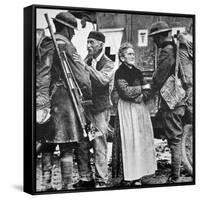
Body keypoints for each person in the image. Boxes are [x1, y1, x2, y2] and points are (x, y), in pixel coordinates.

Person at [36, 11, 92, 191]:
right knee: (67, 145)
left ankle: (45, 185)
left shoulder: (46, 43)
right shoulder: (66, 46)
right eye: (73, 30)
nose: (74, 33)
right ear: (67, 29)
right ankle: (67, 185)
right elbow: (82, 77)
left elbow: (41, 75)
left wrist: (42, 102)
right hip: (66, 102)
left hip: (46, 101)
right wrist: (88, 93)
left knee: (47, 144)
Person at [73, 31, 115, 188]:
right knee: (83, 143)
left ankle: (101, 180)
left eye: (91, 42)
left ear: (101, 45)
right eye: (87, 42)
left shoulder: (109, 63)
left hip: (100, 112)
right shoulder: (87, 59)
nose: (88, 45)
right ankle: (86, 178)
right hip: (87, 111)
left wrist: (84, 66)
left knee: (99, 144)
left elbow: (103, 80)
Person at [111, 42, 157, 186]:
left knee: (140, 141)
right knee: (128, 141)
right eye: (129, 54)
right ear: (122, 57)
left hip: (139, 110)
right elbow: (125, 92)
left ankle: (138, 175)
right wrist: (141, 89)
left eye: (133, 54)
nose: (132, 56)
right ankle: (129, 176)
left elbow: (148, 89)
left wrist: (142, 96)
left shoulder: (137, 71)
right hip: (126, 110)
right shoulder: (119, 72)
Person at [148, 21, 186, 183]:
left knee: (174, 140)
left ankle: (175, 177)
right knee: (176, 139)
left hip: (172, 104)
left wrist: (149, 90)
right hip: (180, 101)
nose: (154, 42)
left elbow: (158, 78)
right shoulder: (175, 48)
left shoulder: (166, 51)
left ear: (160, 36)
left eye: (154, 38)